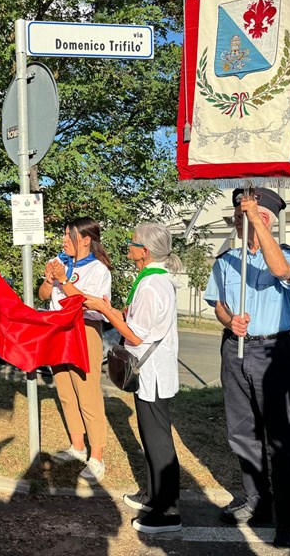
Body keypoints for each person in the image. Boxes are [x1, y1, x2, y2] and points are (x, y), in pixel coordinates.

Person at [204, 188, 290, 551]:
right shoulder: (226, 259)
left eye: (243, 215)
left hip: (273, 352)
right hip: (235, 349)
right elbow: (218, 304)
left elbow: (281, 271)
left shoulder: (289, 254)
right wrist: (229, 321)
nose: (237, 221)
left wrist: (256, 223)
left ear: (264, 219)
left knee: (280, 438)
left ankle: (288, 518)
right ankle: (257, 501)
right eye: (236, 216)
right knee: (242, 433)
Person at [84, 223, 182, 534]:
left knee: (158, 440)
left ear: (145, 251)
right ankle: (154, 495)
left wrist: (104, 310)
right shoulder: (150, 280)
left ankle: (168, 511)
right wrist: (112, 310)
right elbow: (135, 319)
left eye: (133, 241)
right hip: (148, 372)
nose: (129, 245)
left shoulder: (152, 284)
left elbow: (136, 335)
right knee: (150, 436)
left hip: (152, 372)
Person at [40, 217, 112, 484]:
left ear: (85, 240)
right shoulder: (59, 262)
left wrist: (63, 280)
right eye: (63, 235)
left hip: (84, 330)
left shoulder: (98, 269)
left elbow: (87, 303)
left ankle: (97, 457)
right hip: (57, 329)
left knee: (87, 393)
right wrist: (50, 280)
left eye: (68, 236)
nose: (63, 240)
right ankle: (77, 445)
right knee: (65, 390)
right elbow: (44, 295)